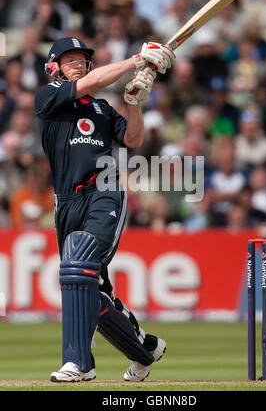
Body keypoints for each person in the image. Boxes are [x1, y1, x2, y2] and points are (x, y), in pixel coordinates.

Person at [34, 36, 175, 382]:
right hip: (66, 201)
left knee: (81, 265)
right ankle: (144, 349)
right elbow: (94, 82)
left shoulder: (101, 109)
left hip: (105, 189)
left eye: (82, 60)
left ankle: (79, 364)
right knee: (88, 286)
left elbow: (133, 140)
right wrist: (136, 60)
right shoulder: (49, 97)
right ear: (54, 67)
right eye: (70, 60)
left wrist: (134, 101)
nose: (78, 65)